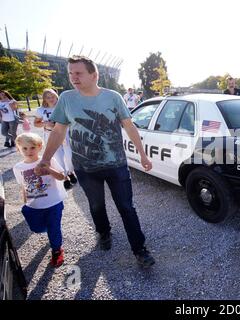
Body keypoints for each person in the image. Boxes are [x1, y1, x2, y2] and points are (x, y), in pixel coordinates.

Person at [35, 55, 155, 268]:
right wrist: (45, 159)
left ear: (94, 75)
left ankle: (140, 249)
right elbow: (58, 131)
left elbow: (129, 126)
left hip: (116, 165)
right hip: (85, 168)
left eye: (78, 73)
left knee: (126, 207)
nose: (73, 77)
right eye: (71, 73)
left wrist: (143, 155)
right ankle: (104, 232)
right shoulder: (67, 99)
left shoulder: (113, 97)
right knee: (96, 205)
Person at [13, 133, 67, 267]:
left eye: (32, 147)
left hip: (53, 203)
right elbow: (23, 186)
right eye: (24, 148)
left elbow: (62, 177)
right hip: (34, 205)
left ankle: (56, 250)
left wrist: (48, 169)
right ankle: (49, 230)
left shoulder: (48, 160)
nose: (29, 151)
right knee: (37, 228)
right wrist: (25, 201)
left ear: (39, 147)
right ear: (18, 149)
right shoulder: (18, 167)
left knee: (54, 227)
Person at [35, 89, 78, 190]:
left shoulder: (64, 106)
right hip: (50, 134)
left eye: (53, 96)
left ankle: (70, 172)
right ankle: (65, 178)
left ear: (56, 96)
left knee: (70, 156)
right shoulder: (40, 110)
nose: (51, 99)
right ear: (44, 99)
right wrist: (45, 123)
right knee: (58, 158)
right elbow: (36, 123)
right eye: (48, 97)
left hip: (65, 134)